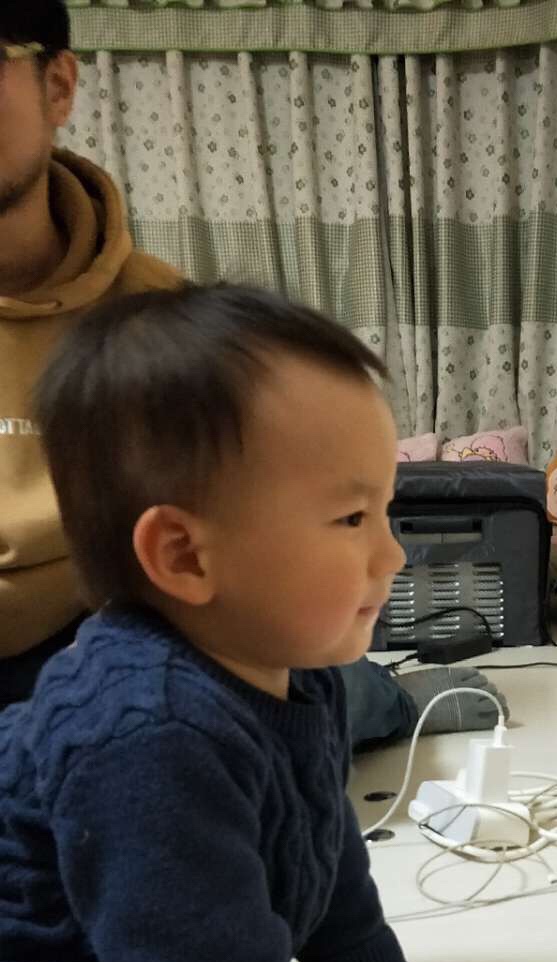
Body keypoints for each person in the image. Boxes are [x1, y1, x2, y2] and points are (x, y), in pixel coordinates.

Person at [0, 283, 494, 962]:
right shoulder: (148, 735)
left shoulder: (290, 667)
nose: (392, 553)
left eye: (385, 509)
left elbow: (318, 838)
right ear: (185, 555)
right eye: (351, 517)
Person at [0, 0, 506, 740]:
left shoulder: (154, 315)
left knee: (294, 674)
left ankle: (379, 698)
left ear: (57, 85)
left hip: (131, 616)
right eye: (356, 517)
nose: (392, 555)